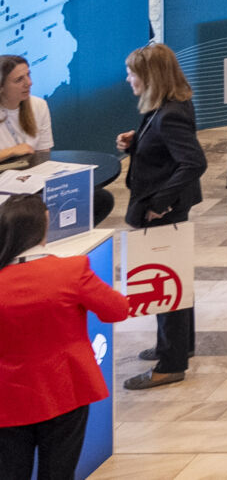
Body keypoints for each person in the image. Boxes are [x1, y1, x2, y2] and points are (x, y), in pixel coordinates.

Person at [0, 191, 130, 480]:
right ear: (45, 225)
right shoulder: (71, 270)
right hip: (65, 391)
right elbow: (117, 310)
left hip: (7, 400)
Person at [116, 44, 204, 391]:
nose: (128, 79)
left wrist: (161, 202)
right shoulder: (168, 106)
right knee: (175, 276)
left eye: (132, 74)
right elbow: (165, 145)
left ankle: (170, 363)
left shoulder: (169, 115)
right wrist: (136, 140)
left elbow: (193, 162)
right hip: (169, 205)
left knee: (166, 282)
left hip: (164, 210)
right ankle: (182, 346)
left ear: (150, 77)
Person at [0, 56, 53, 164]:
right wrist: (11, 151)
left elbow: (43, 154)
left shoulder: (39, 105)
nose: (29, 83)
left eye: (28, 75)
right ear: (1, 87)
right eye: (19, 80)